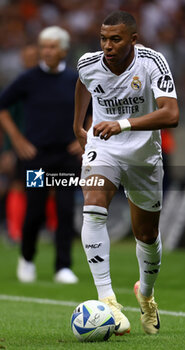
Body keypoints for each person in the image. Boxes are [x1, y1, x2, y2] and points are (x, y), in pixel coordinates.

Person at [73, 10, 179, 335]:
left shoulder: (152, 63)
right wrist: (78, 124)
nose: (107, 45)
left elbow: (171, 114)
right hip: (103, 145)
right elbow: (83, 82)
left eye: (115, 39)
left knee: (146, 236)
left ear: (133, 39)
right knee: (92, 206)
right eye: (103, 39)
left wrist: (121, 124)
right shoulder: (88, 63)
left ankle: (146, 296)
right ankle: (109, 302)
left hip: (143, 153)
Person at [0, 26, 82, 284]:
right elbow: (2, 106)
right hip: (37, 158)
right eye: (44, 46)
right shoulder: (29, 79)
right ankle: (27, 258)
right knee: (35, 210)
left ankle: (63, 267)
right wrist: (17, 139)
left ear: (64, 50)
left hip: (66, 158)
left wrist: (84, 136)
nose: (46, 51)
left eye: (52, 47)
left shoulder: (76, 80)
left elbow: (95, 108)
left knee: (66, 209)